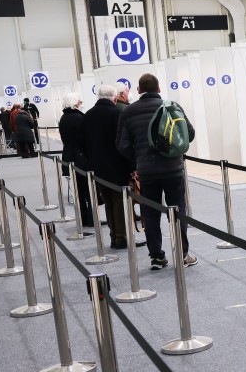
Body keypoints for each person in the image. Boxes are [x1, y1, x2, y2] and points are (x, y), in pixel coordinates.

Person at [116, 73, 195, 269]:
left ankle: (157, 257)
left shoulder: (128, 112)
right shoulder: (172, 107)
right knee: (177, 210)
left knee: (150, 214)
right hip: (173, 169)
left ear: (138, 90)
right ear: (159, 89)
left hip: (146, 172)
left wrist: (137, 160)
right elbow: (189, 134)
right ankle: (183, 254)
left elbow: (122, 145)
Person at [80, 85, 131, 247]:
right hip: (117, 166)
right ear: (114, 97)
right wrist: (131, 166)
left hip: (98, 167)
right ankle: (122, 238)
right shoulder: (117, 113)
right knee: (119, 202)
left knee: (108, 202)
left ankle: (114, 236)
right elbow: (124, 143)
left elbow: (82, 144)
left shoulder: (88, 115)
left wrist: (93, 158)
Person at [57, 92, 93, 228]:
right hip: (81, 157)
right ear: (74, 103)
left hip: (69, 155)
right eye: (79, 102)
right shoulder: (78, 117)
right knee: (87, 190)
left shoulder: (64, 117)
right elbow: (85, 138)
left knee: (78, 190)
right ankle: (90, 218)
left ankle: (84, 218)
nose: (81, 104)